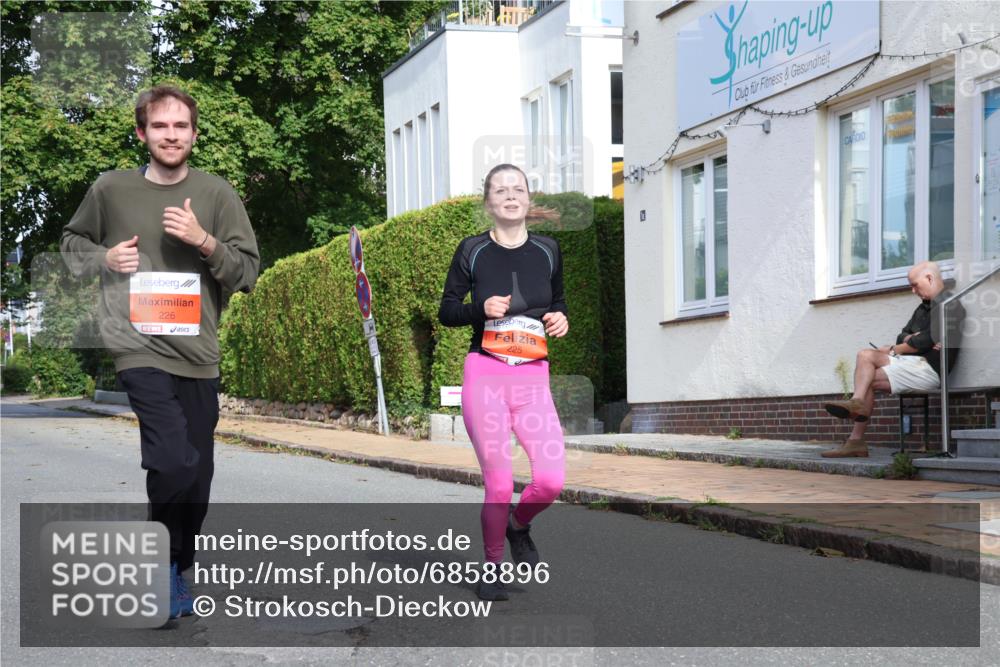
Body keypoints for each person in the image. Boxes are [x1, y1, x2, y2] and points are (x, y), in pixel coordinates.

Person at [61, 85, 260, 618]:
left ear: (194, 134)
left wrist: (205, 241)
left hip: (198, 354)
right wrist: (105, 258)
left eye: (181, 127)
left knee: (196, 477)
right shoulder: (110, 189)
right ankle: (163, 567)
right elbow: (70, 248)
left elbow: (247, 273)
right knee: (172, 458)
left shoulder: (217, 195)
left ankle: (175, 563)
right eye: (160, 126)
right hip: (136, 346)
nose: (171, 135)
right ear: (142, 133)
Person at [438, 163, 569, 601]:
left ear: (529, 199)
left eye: (518, 189)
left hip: (533, 379)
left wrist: (559, 318)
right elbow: (448, 310)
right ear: (488, 202)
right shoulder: (472, 250)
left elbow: (560, 302)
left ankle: (518, 526)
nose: (510, 196)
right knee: (498, 483)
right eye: (500, 190)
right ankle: (491, 567)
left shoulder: (549, 250)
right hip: (486, 375)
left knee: (550, 481)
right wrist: (481, 308)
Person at [821, 261, 964, 458]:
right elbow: (906, 336)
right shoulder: (922, 309)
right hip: (911, 364)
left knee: (866, 363)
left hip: (929, 370)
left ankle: (856, 413)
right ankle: (856, 438)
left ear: (929, 278)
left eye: (915, 284)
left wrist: (907, 344)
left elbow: (923, 341)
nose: (913, 290)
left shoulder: (951, 305)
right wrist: (915, 340)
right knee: (865, 365)